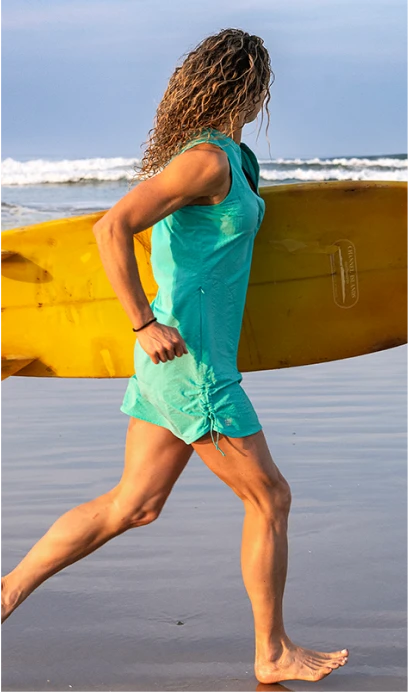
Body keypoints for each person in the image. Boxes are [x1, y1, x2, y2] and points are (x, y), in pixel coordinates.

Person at [0, 28, 348, 684]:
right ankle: (271, 652)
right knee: (270, 498)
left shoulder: (230, 161)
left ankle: (7, 589)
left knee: (134, 504)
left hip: (182, 366)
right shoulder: (207, 160)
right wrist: (142, 322)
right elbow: (112, 226)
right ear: (247, 86)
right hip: (192, 368)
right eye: (257, 82)